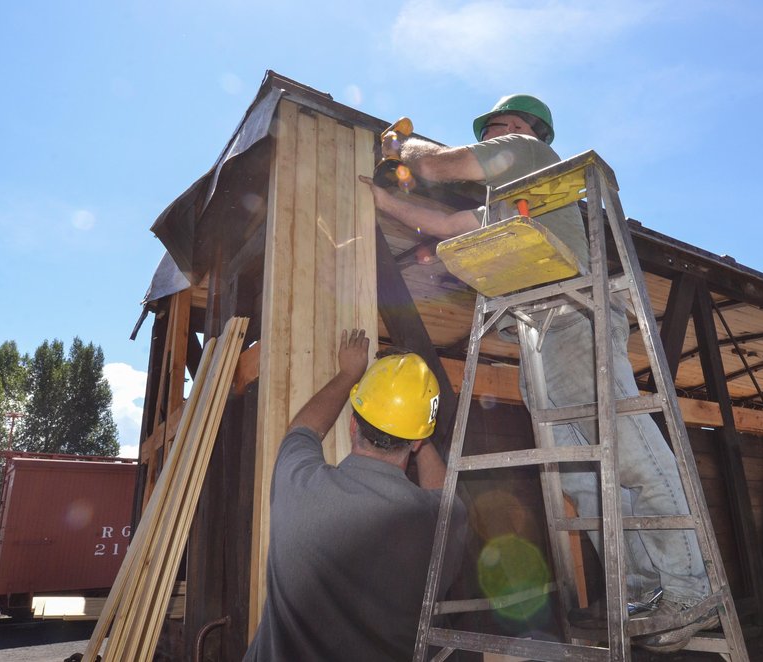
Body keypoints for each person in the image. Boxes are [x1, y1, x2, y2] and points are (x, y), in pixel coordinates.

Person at [359, 95, 715, 652]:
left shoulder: (527, 156)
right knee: (582, 479)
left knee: (634, 458)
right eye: (491, 129)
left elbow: (437, 165)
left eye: (500, 126)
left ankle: (689, 589)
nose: (494, 133)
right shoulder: (513, 207)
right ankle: (642, 589)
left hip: (575, 319)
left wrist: (399, 148)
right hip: (535, 333)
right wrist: (377, 197)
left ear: (530, 132)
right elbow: (444, 222)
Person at [243, 329, 467, 661]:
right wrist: (412, 425)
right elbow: (443, 492)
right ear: (417, 443)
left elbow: (303, 429)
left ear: (352, 425)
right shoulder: (439, 523)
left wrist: (349, 374)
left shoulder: (299, 485)